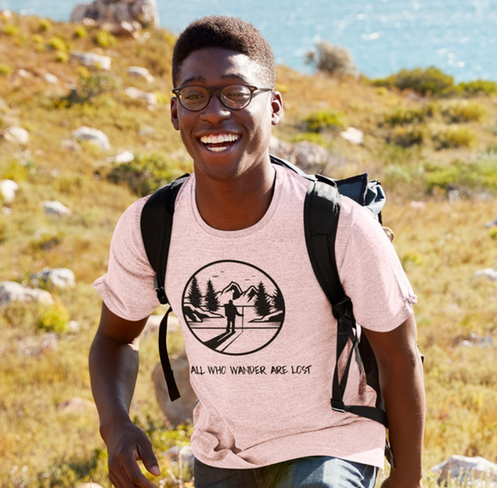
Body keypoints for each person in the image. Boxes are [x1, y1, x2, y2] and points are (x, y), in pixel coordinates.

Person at [89, 15, 425, 488]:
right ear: (174, 112)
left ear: (274, 107)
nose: (213, 113)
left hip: (331, 443)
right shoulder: (149, 225)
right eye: (194, 95)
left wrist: (406, 478)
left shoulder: (337, 225)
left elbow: (399, 355)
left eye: (236, 93)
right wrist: (115, 425)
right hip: (222, 454)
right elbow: (114, 339)